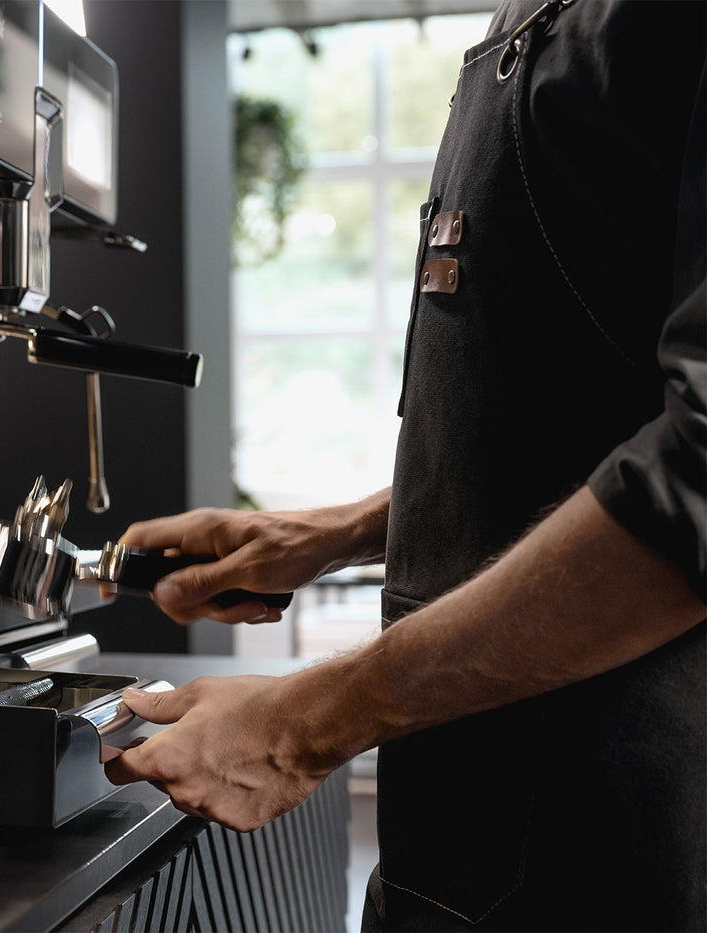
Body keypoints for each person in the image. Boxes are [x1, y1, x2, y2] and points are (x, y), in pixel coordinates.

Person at [102, 1, 707, 929]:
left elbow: (693, 485)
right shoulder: (535, 23)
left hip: (622, 852)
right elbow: (579, 433)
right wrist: (324, 533)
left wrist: (299, 727)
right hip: (462, 841)